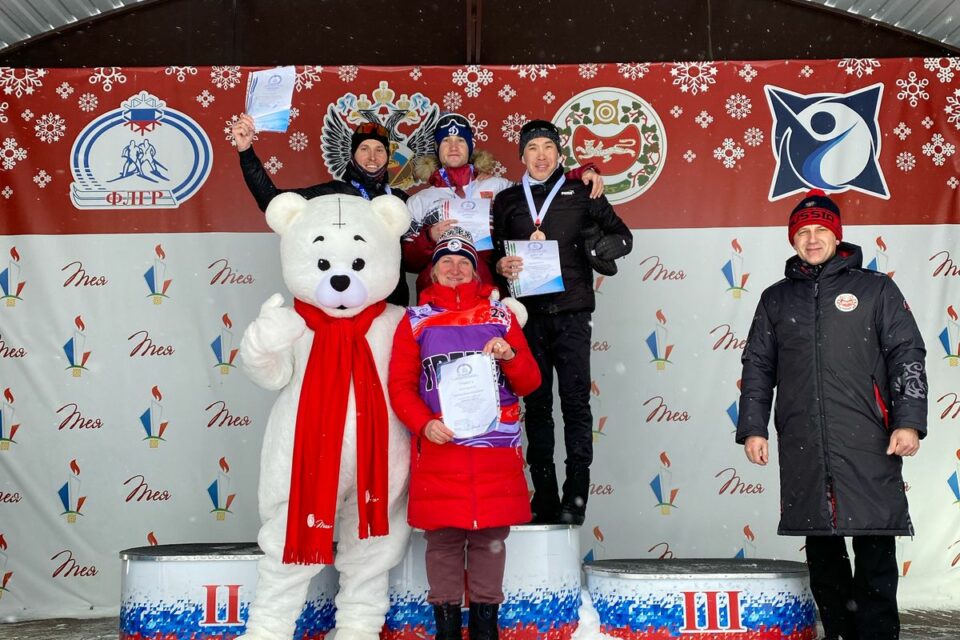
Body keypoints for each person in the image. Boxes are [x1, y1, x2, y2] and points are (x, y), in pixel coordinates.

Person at [736, 189, 927, 640]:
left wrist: (908, 420)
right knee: (823, 556)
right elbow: (758, 366)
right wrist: (753, 428)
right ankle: (839, 634)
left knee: (874, 548)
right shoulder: (775, 299)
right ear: (793, 240)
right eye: (803, 232)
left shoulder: (876, 288)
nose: (813, 238)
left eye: (822, 229)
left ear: (837, 236)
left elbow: (907, 353)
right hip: (805, 441)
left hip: (868, 439)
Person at [388, 227, 541, 640]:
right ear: (432, 272)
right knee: (443, 541)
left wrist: (510, 355)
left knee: (492, 538)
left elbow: (529, 382)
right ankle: (448, 630)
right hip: (442, 447)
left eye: (463, 263)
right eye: (446, 263)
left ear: (476, 271)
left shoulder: (500, 316)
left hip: (494, 449)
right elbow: (400, 387)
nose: (455, 270)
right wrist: (424, 424)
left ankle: (487, 629)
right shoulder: (415, 320)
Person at [492, 120, 632, 526]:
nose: (540, 155)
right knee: (536, 406)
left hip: (571, 315)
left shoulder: (581, 190)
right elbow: (493, 258)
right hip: (527, 317)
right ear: (521, 156)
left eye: (547, 148)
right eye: (532, 148)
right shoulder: (506, 201)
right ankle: (546, 496)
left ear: (559, 153)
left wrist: (593, 250)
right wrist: (501, 265)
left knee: (574, 404)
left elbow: (623, 236)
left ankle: (576, 492)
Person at [404, 112, 605, 297]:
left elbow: (542, 188)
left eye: (461, 140)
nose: (454, 147)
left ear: (471, 147)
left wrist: (577, 175)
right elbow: (407, 262)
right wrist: (430, 237)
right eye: (446, 141)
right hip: (437, 300)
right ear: (437, 149)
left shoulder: (498, 186)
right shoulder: (420, 200)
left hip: (488, 294)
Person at [231, 114, 410, 305]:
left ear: (388, 157)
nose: (372, 157)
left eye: (379, 150)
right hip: (345, 303)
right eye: (364, 148)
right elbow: (272, 201)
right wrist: (246, 150)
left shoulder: (399, 199)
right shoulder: (333, 194)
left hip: (391, 306)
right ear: (352, 155)